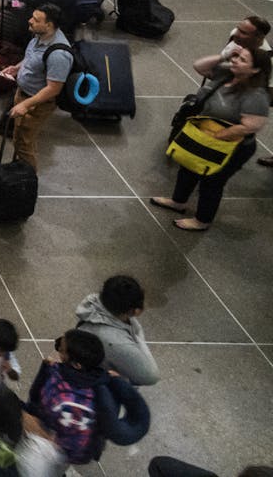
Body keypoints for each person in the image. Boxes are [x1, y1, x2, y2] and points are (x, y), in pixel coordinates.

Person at [150, 45, 269, 231]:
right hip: (204, 135)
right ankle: (178, 201)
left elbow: (251, 126)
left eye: (242, 60)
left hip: (231, 146)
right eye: (237, 57)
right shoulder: (225, 73)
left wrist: (218, 136)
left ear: (255, 70)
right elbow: (199, 66)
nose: (236, 61)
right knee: (188, 166)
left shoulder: (256, 95)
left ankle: (202, 220)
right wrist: (225, 55)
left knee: (212, 181)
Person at [26, 329, 150, 471]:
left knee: (52, 466)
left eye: (62, 349)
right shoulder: (105, 387)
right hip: (83, 450)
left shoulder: (57, 385)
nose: (58, 347)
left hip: (55, 445)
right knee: (61, 465)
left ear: (76, 365)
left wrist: (46, 369)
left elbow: (39, 406)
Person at [0, 4, 71, 171]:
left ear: (49, 25)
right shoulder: (39, 37)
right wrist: (17, 68)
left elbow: (53, 88)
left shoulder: (59, 55)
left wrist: (26, 104)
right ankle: (19, 172)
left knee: (24, 143)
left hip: (36, 104)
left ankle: (27, 181)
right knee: (18, 137)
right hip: (23, 94)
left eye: (36, 20)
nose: (30, 21)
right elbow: (32, 59)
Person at [74, 275, 160, 386]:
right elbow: (151, 376)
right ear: (135, 311)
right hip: (100, 387)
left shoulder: (92, 304)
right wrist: (138, 337)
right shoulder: (117, 342)